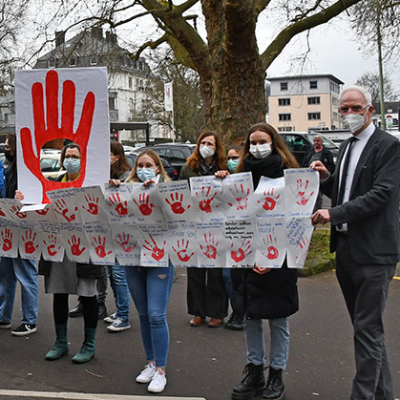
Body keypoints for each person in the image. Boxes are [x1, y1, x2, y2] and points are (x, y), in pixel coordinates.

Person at [311, 85, 400, 400]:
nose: (349, 114)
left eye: (355, 108)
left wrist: (332, 213)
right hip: (346, 250)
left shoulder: (389, 147)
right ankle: (384, 395)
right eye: (344, 109)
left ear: (370, 110)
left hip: (375, 253)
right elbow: (344, 188)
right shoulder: (346, 146)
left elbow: (381, 194)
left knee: (367, 331)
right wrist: (323, 178)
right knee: (368, 333)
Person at [216, 122, 299, 400]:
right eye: (252, 142)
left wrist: (274, 257)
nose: (256, 147)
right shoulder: (241, 176)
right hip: (247, 257)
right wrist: (220, 182)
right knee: (250, 316)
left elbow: (297, 220)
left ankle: (277, 376)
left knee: (277, 319)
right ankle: (255, 372)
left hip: (279, 259)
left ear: (274, 142)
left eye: (262, 141)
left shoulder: (289, 175)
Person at [111, 150, 174, 393]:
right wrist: (114, 188)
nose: (144, 168)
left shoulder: (168, 189)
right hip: (132, 260)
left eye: (149, 165)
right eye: (140, 165)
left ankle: (161, 370)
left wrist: (156, 194)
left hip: (158, 260)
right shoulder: (127, 190)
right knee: (145, 315)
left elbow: (181, 220)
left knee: (157, 315)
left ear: (158, 168)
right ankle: (151, 362)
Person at [37, 143, 103, 363]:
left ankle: (89, 344)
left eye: (75, 156)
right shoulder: (54, 183)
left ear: (83, 159)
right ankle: (61, 342)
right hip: (60, 246)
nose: (71, 160)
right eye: (68, 156)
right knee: (59, 292)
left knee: (88, 294)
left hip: (86, 247)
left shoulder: (95, 182)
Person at [180, 131, 229, 328]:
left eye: (210, 143)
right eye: (203, 142)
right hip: (195, 225)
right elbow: (181, 194)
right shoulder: (188, 168)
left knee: (216, 273)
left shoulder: (224, 168)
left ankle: (217, 312)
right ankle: (197, 311)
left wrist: (225, 178)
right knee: (195, 271)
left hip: (218, 227)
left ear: (217, 148)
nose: (206, 146)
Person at [0, 133, 39, 336]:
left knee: (25, 273)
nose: (6, 149)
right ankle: (4, 315)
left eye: (8, 146)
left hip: (24, 229)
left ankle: (30, 320)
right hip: (9, 226)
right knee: (5, 272)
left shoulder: (26, 172)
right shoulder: (11, 170)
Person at [103, 141, 132, 332]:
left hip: (123, 233)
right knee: (112, 273)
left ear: (117, 156)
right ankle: (120, 309)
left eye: (110, 154)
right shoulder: (107, 175)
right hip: (108, 230)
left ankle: (124, 315)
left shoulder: (127, 178)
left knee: (119, 274)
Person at [224, 145, 244, 331]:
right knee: (228, 276)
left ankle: (241, 313)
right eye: (229, 157)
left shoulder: (250, 176)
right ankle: (238, 311)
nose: (232, 161)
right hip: (226, 236)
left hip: (245, 236)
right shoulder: (223, 178)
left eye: (236, 157)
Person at [302, 135, 335, 210]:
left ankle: (318, 209)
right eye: (314, 141)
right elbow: (304, 163)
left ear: (322, 142)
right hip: (309, 177)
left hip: (320, 178)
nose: (316, 142)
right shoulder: (310, 152)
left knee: (318, 195)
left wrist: (326, 174)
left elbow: (331, 165)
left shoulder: (327, 153)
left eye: (318, 141)